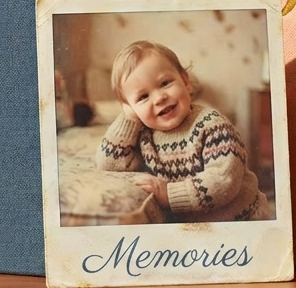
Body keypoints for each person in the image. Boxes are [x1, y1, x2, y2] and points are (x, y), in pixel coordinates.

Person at [96, 40, 271, 222]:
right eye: (143, 97)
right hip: (196, 228)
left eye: (165, 83)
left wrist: (169, 194)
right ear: (130, 107)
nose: (159, 98)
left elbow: (223, 181)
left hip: (242, 219)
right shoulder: (145, 134)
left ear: (186, 82)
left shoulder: (212, 125)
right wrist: (129, 118)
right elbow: (109, 163)